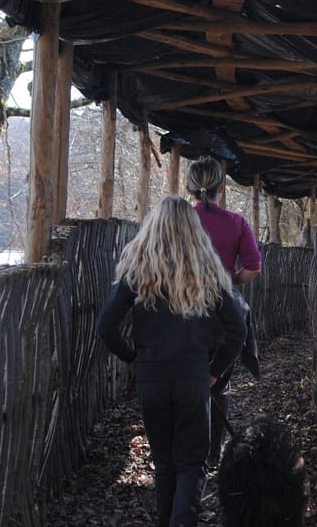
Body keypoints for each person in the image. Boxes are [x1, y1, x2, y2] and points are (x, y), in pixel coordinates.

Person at [96, 195, 246, 527]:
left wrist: (133, 358)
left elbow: (106, 326)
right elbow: (237, 329)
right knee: (193, 463)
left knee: (164, 463)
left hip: (151, 379)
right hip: (194, 378)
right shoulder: (206, 273)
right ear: (195, 232)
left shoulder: (138, 272)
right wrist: (214, 372)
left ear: (153, 229)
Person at [184, 157, 262, 468]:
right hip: (223, 320)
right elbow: (254, 268)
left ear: (189, 189)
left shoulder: (180, 223)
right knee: (218, 384)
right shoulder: (237, 224)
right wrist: (229, 282)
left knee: (184, 381)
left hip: (183, 314)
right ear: (222, 188)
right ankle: (213, 453)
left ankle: (188, 450)